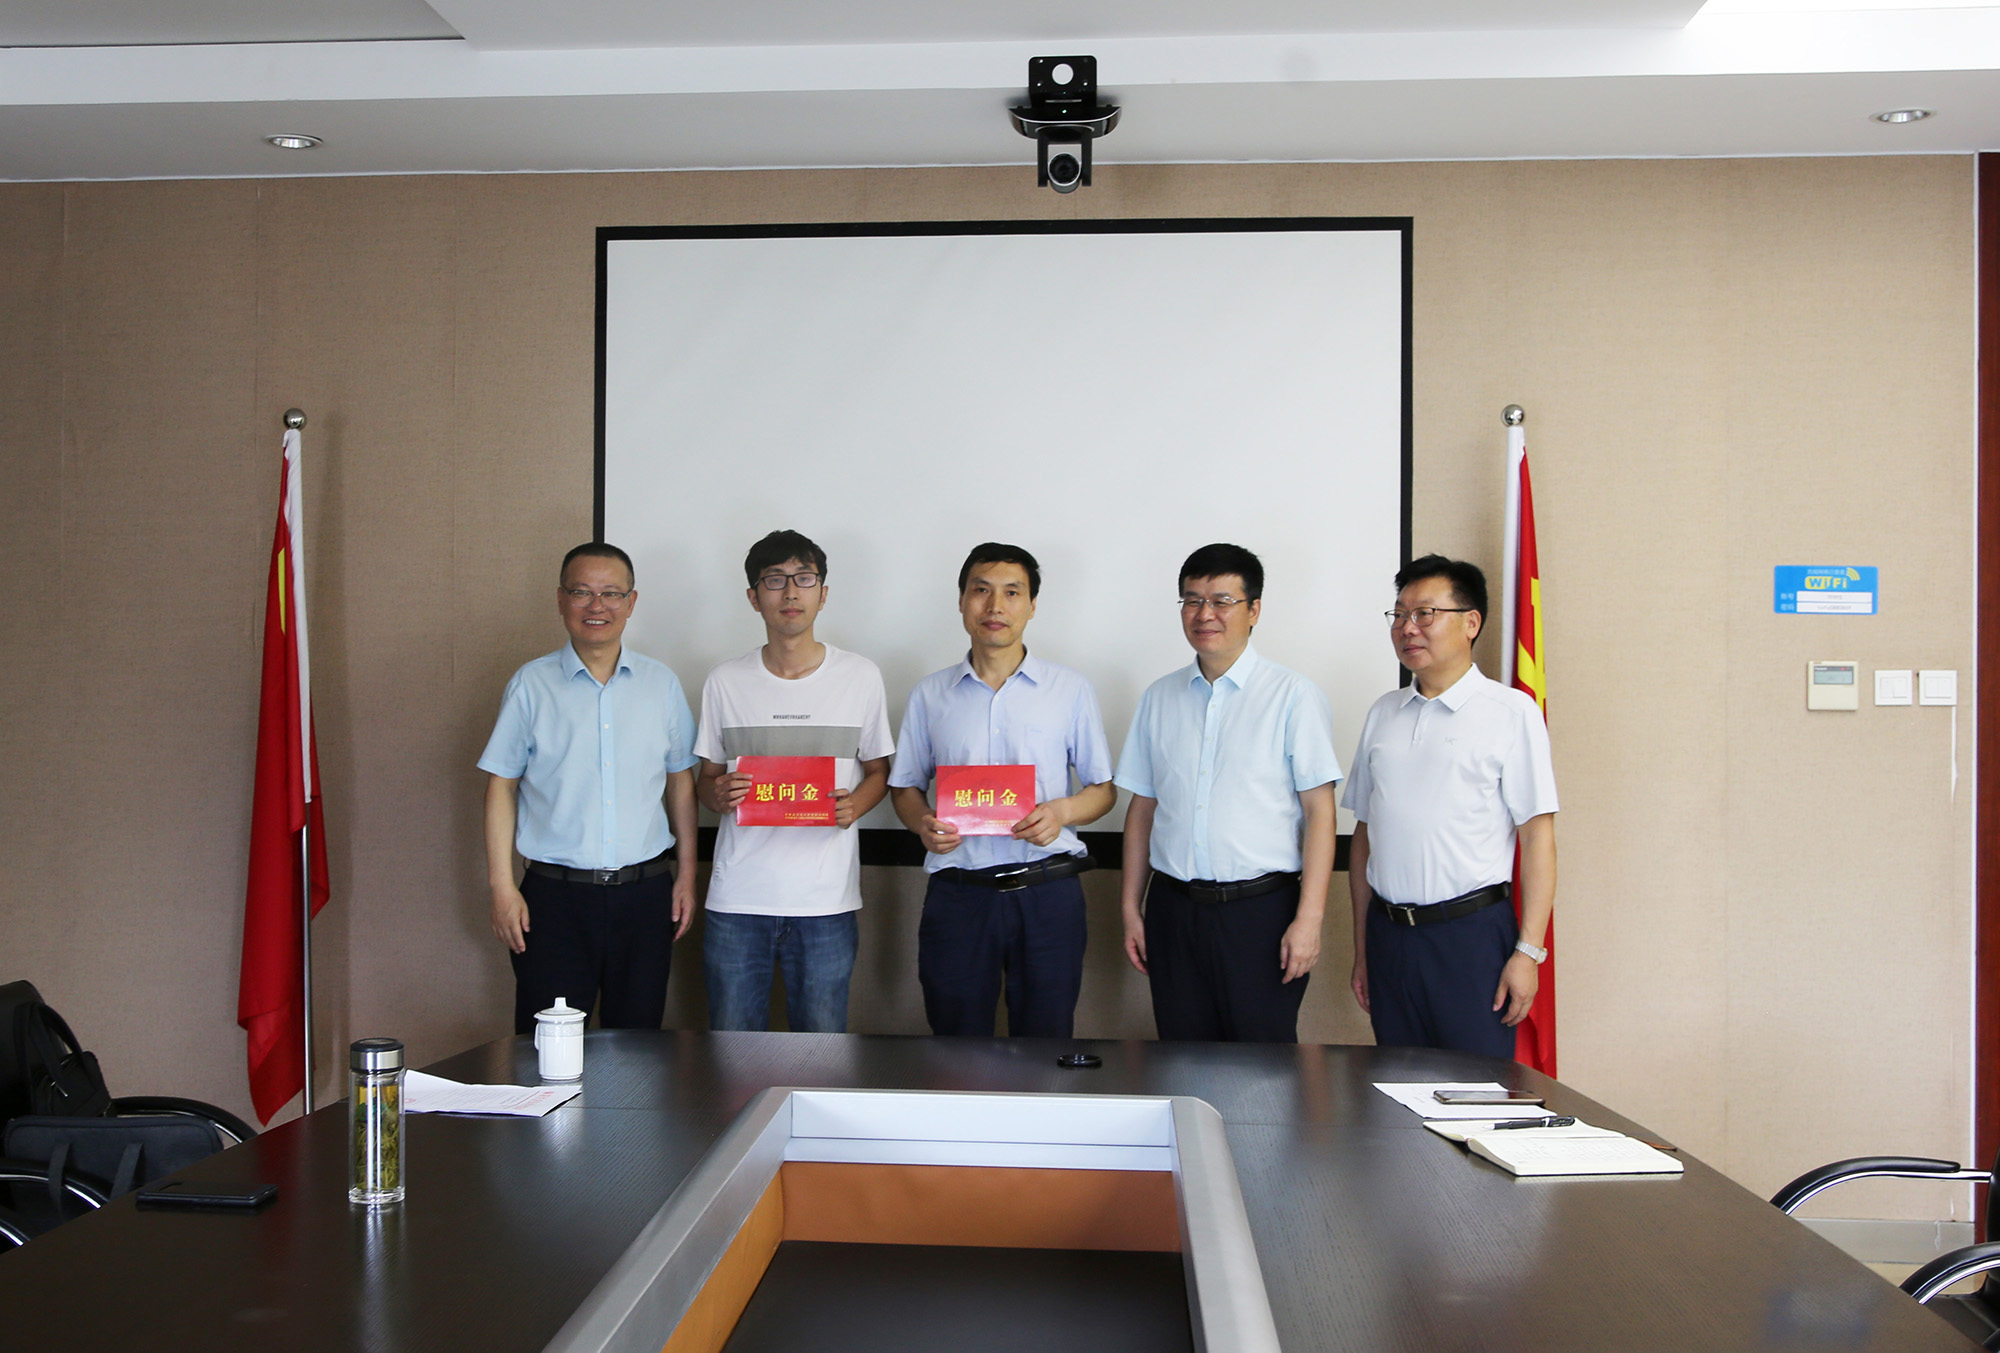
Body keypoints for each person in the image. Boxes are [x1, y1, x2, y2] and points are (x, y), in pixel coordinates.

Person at [1114, 543, 1341, 1043]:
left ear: (1254, 610)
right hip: (1173, 909)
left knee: (1264, 1067)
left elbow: (1320, 814)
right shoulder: (1159, 697)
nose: (1204, 614)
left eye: (1222, 601)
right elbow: (1143, 810)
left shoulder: (1293, 696)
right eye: (1192, 601)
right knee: (1181, 1059)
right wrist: (1132, 908)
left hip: (1260, 913)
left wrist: (1309, 919)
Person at [889, 543, 1116, 1038]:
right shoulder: (930, 695)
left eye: (1012, 593)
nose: (995, 606)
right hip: (959, 893)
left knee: (1045, 1041)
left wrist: (1062, 811)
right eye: (981, 591)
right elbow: (904, 787)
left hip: (1047, 891)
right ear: (961, 601)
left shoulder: (1070, 690)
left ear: (1032, 605)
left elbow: (1103, 790)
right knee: (954, 1042)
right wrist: (922, 823)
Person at [478, 542, 700, 1035]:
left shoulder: (661, 685)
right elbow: (500, 787)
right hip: (553, 901)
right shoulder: (531, 686)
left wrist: (686, 876)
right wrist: (502, 887)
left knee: (639, 1049)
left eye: (611, 593)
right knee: (547, 1050)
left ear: (631, 602)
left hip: (645, 897)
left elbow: (681, 784)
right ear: (561, 599)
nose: (597, 605)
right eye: (581, 592)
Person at [1344, 554, 1558, 1058]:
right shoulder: (1384, 712)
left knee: (1474, 1091)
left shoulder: (1511, 712)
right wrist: (1363, 949)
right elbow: (1365, 836)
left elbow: (1537, 838)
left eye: (1425, 613)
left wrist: (1528, 953)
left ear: (1471, 622)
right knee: (1396, 1087)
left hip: (1471, 939)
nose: (1407, 628)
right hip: (1389, 937)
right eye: (1399, 614)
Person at [694, 530, 893, 1032]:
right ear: (753, 596)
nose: (790, 592)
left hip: (826, 901)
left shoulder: (860, 676)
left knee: (822, 1053)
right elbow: (706, 780)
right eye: (774, 580)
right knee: (733, 1054)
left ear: (823, 594)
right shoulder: (724, 681)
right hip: (738, 899)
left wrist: (856, 805)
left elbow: (879, 772)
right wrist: (716, 794)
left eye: (804, 579)